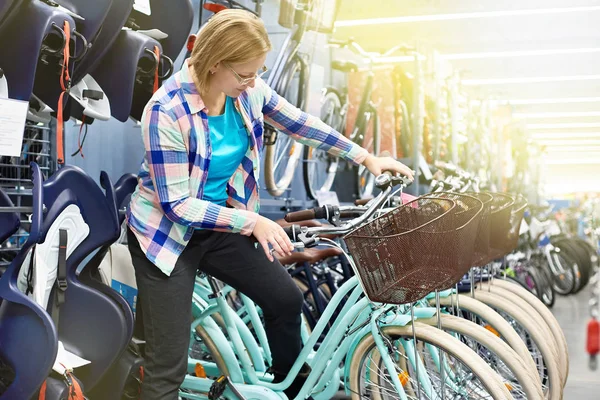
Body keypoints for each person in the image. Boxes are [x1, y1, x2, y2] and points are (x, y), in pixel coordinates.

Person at [125, 8, 414, 400]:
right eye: (245, 74)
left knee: (285, 299)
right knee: (167, 368)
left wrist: (366, 157)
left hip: (219, 224)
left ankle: (292, 390)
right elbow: (177, 205)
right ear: (214, 64)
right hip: (166, 237)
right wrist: (252, 222)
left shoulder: (248, 92)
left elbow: (300, 123)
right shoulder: (166, 110)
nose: (253, 82)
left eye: (257, 72)